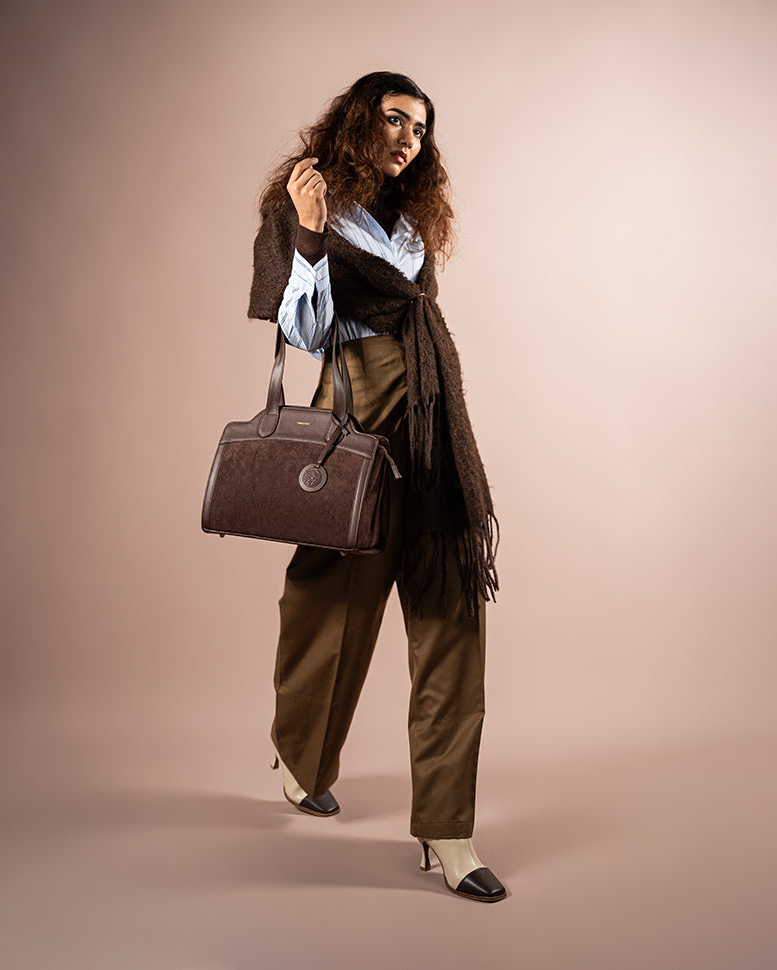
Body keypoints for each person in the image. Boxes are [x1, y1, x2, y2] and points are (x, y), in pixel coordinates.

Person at [247, 72, 508, 903]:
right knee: (330, 609)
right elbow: (305, 331)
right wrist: (311, 233)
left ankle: (449, 830)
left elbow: (418, 321)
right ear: (360, 119)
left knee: (452, 619)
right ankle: (300, 756)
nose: (408, 139)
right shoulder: (305, 203)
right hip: (355, 419)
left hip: (433, 428)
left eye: (421, 129)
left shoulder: (411, 223)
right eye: (395, 120)